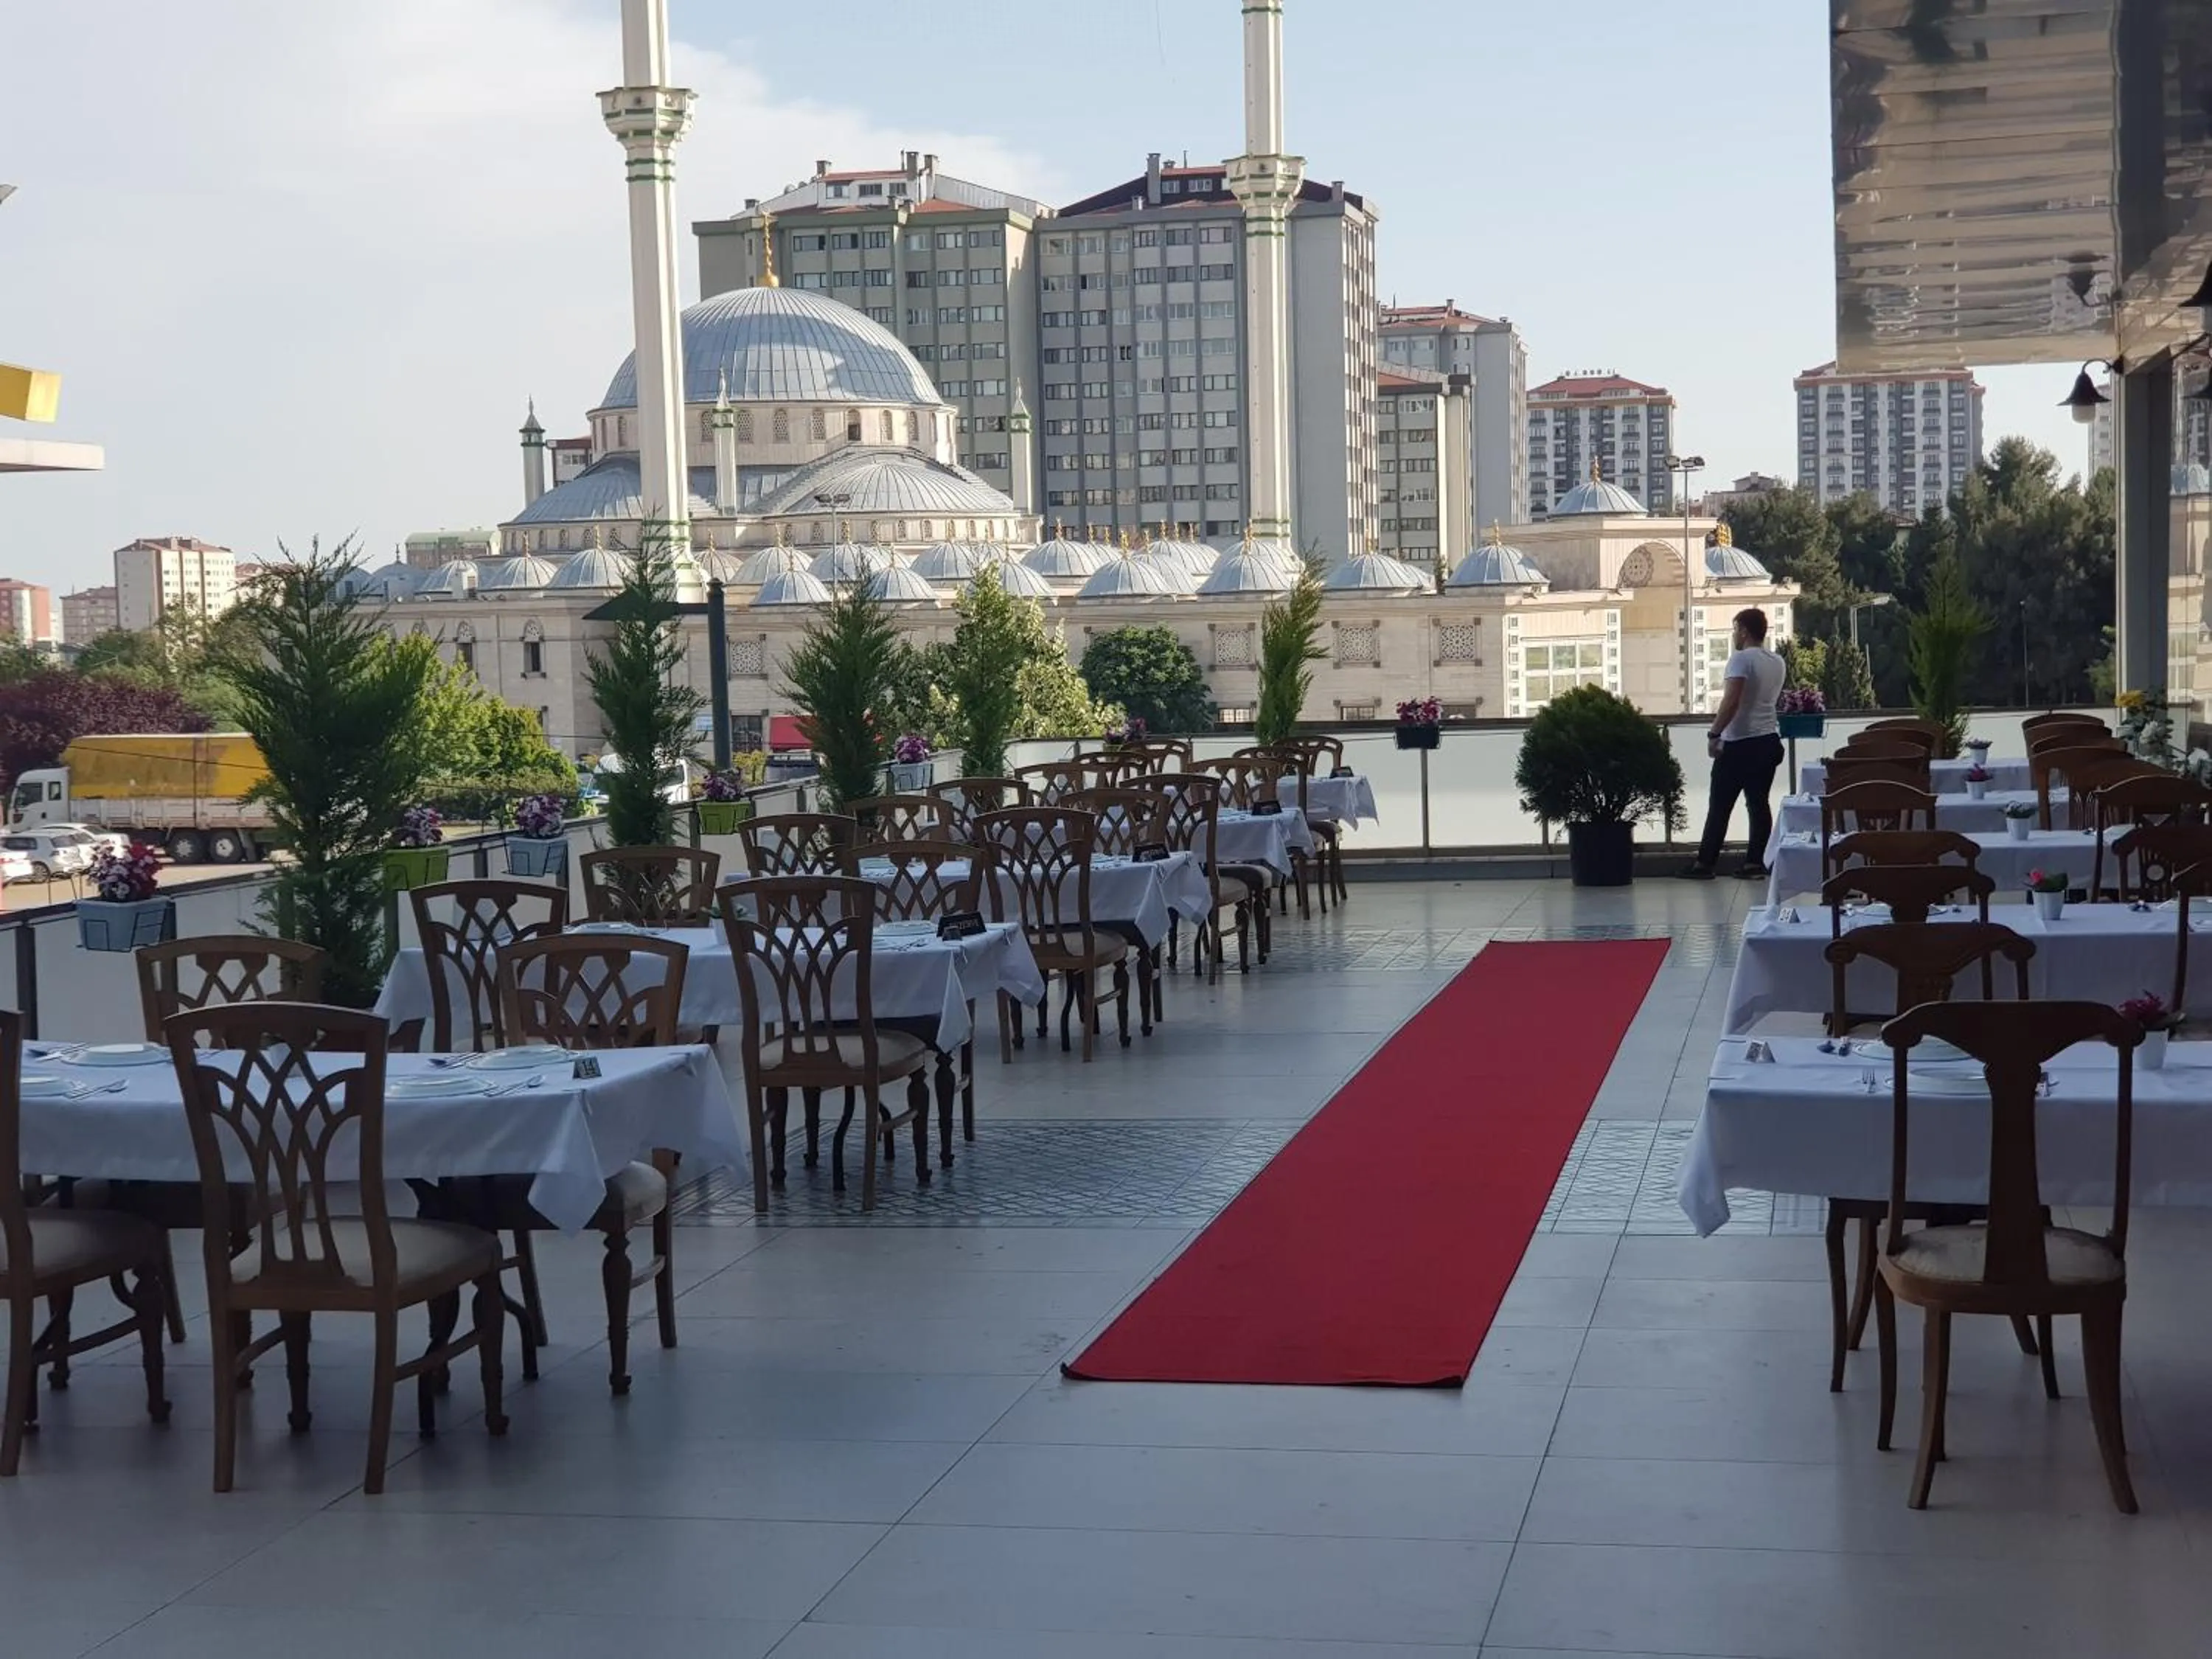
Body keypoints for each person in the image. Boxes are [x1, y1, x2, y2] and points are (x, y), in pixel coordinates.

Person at [1679, 607, 1787, 880]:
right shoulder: (1777, 661)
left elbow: (1732, 701)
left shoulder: (1741, 660)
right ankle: (1755, 863)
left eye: (1735, 629)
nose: (1734, 634)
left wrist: (1714, 734)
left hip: (1739, 742)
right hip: (1768, 739)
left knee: (1720, 805)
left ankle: (1705, 863)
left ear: (1744, 630)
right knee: (1758, 804)